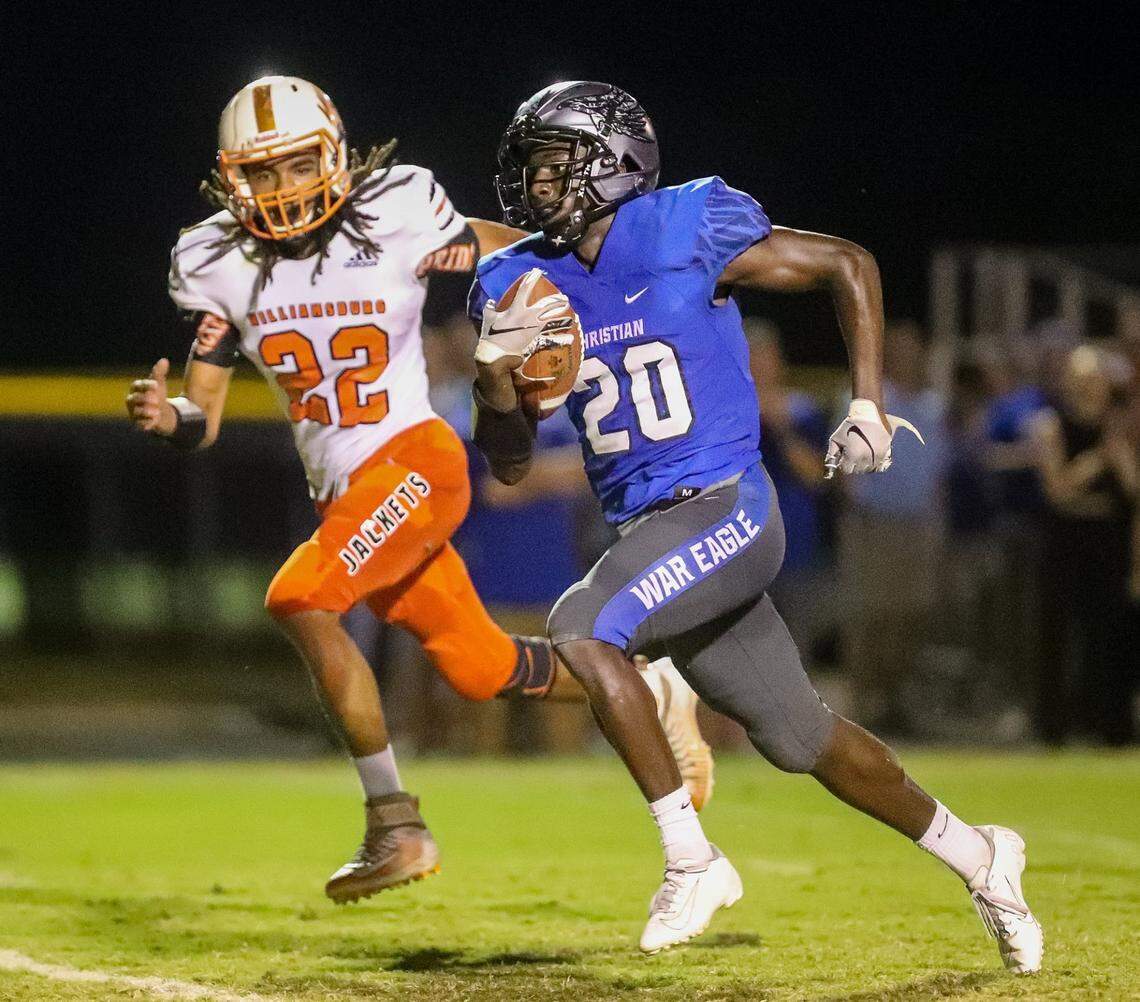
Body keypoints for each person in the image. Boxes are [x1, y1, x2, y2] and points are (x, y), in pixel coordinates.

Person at [467, 81, 1042, 971]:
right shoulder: (513, 279)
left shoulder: (682, 226)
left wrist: (865, 401)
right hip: (649, 532)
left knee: (583, 626)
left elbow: (849, 262)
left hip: (726, 504)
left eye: (553, 165)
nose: (536, 187)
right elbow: (507, 461)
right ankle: (983, 857)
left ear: (614, 162)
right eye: (528, 169)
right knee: (797, 736)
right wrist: (495, 381)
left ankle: (691, 859)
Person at [124, 75, 712, 905]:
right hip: (350, 498)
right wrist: (169, 415)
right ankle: (654, 683)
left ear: (332, 156)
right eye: (262, 173)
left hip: (416, 462)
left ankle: (394, 821)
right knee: (481, 668)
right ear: (230, 178)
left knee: (300, 597)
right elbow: (203, 413)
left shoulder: (395, 213)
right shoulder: (215, 262)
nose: (282, 188)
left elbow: (505, 251)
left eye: (297, 166)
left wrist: (600, 282)